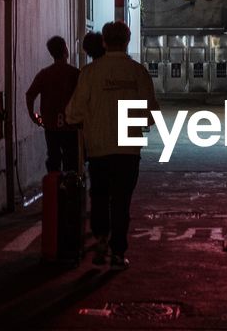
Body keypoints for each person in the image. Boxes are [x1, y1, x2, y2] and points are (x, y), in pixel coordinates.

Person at [66, 20, 158, 269]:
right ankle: (118, 252)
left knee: (99, 196)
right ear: (127, 41)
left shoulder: (90, 73)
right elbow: (150, 114)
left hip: (98, 146)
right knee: (121, 200)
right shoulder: (138, 72)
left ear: (104, 42)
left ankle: (101, 240)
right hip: (128, 148)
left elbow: (73, 113)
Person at [25, 36, 80, 174]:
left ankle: (54, 189)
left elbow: (30, 94)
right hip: (71, 126)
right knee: (71, 160)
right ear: (65, 51)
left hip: (50, 125)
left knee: (53, 159)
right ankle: (70, 190)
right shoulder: (75, 74)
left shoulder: (44, 74)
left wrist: (34, 116)